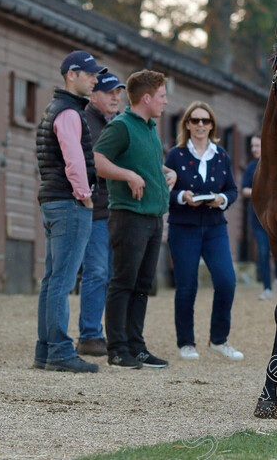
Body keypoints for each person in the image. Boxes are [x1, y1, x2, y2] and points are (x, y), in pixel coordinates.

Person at [94, 70, 177, 370]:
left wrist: (167, 173)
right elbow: (99, 160)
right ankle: (116, 350)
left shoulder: (150, 127)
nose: (166, 101)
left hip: (153, 218)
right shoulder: (122, 126)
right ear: (146, 98)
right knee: (123, 283)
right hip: (129, 216)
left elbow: (145, 163)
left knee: (143, 284)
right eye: (162, 96)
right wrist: (127, 175)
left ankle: (136, 346)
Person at [33, 50, 107, 373]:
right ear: (71, 75)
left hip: (53, 201)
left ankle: (46, 349)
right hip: (69, 203)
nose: (95, 79)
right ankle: (61, 351)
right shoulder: (69, 113)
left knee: (52, 279)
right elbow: (73, 160)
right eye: (90, 74)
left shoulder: (55, 109)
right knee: (61, 281)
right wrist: (85, 195)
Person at [165, 102, 243, 362]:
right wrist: (181, 196)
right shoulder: (175, 155)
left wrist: (220, 198)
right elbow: (165, 190)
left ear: (212, 125)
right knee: (186, 286)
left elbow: (232, 190)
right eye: (195, 120)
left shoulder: (221, 155)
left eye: (205, 121)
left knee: (226, 281)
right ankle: (186, 343)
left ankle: (219, 339)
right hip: (183, 227)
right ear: (187, 124)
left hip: (214, 227)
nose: (200, 125)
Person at [76, 72, 126, 357]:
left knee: (108, 274)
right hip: (95, 209)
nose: (116, 98)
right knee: (96, 272)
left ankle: (102, 333)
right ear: (94, 95)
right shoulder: (87, 123)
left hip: (113, 209)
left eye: (119, 93)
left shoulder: (114, 123)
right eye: (110, 93)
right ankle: (90, 335)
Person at [241, 135, 277, 301]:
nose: (254, 149)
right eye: (252, 146)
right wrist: (260, 192)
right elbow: (244, 190)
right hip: (258, 218)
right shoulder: (250, 168)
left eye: (257, 145)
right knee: (262, 251)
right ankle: (267, 288)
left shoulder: (276, 166)